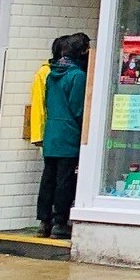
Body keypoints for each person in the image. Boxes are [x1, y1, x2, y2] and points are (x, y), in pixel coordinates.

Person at [38, 33, 89, 239]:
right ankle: (60, 222)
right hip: (68, 135)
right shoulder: (77, 76)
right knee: (64, 180)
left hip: (51, 133)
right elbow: (78, 109)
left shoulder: (51, 74)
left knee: (48, 178)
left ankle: (44, 221)